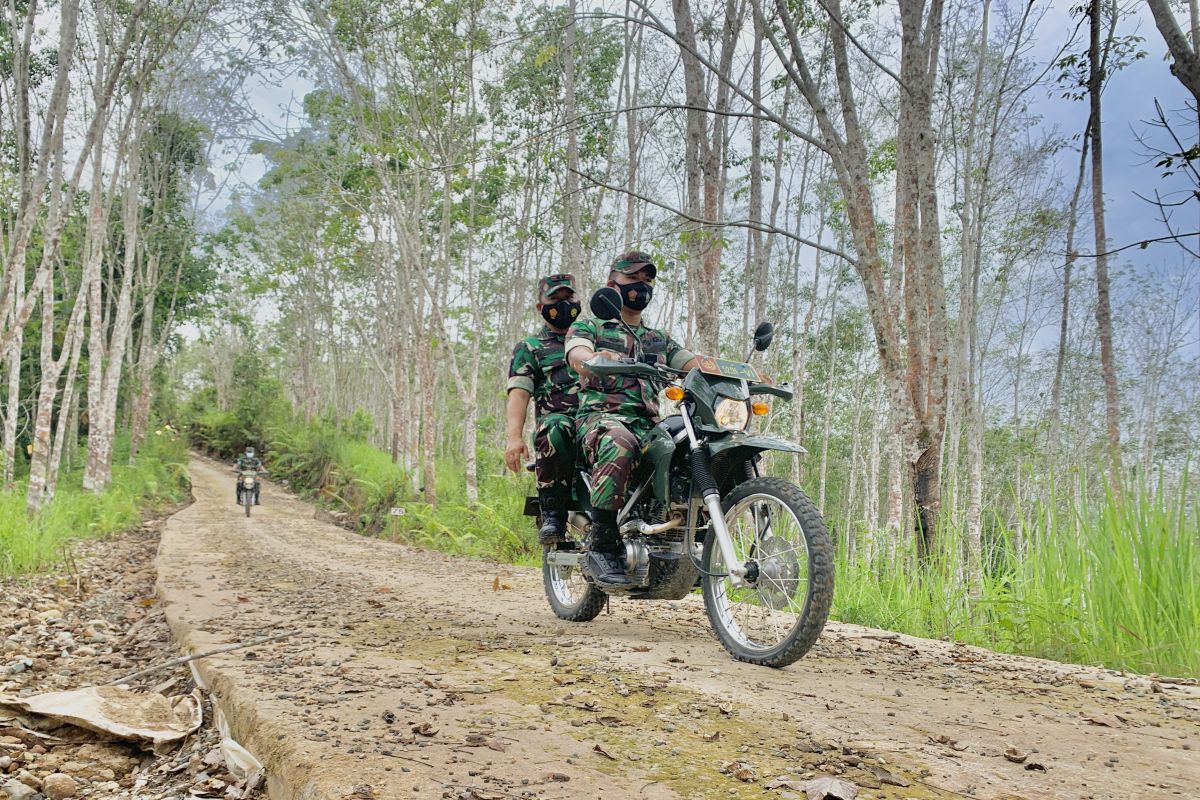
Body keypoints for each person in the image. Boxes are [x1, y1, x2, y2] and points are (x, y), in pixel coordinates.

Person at [566, 252, 699, 584]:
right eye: (633, 280)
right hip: (601, 418)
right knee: (619, 440)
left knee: (689, 445)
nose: (642, 287)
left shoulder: (658, 339)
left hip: (648, 423)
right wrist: (593, 357)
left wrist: (742, 373)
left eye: (648, 280)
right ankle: (602, 542)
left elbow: (692, 362)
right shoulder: (591, 325)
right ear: (614, 284)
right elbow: (577, 353)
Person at [505, 274, 583, 545]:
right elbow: (519, 392)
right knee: (556, 428)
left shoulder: (595, 340)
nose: (563, 304)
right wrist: (513, 438)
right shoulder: (531, 348)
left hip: (597, 419)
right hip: (560, 424)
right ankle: (553, 514)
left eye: (568, 298)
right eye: (554, 299)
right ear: (540, 307)